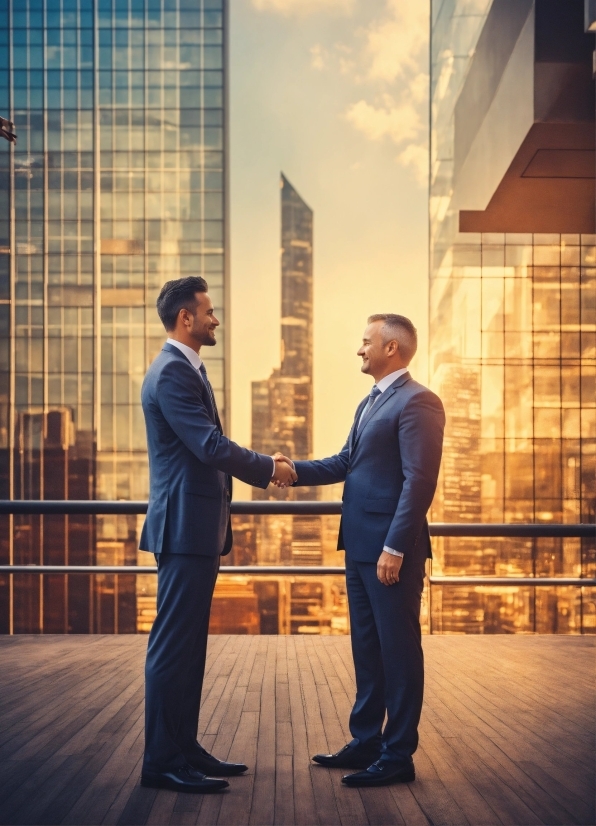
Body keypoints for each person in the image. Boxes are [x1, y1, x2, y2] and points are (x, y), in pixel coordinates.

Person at [139, 276, 296, 794]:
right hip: (183, 527)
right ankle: (162, 760)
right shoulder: (171, 374)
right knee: (173, 646)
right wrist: (268, 468)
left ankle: (184, 748)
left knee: (189, 647)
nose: (215, 319)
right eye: (208, 311)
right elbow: (208, 446)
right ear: (186, 317)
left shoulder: (186, 370)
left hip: (197, 528)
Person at [285, 314, 444, 787]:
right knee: (368, 649)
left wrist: (396, 546)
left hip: (390, 551)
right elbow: (345, 462)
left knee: (398, 651)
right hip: (357, 545)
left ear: (391, 348)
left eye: (366, 342)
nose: (359, 350)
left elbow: (420, 481)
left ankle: (397, 756)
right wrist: (289, 469)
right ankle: (366, 741)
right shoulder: (369, 403)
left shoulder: (420, 402)